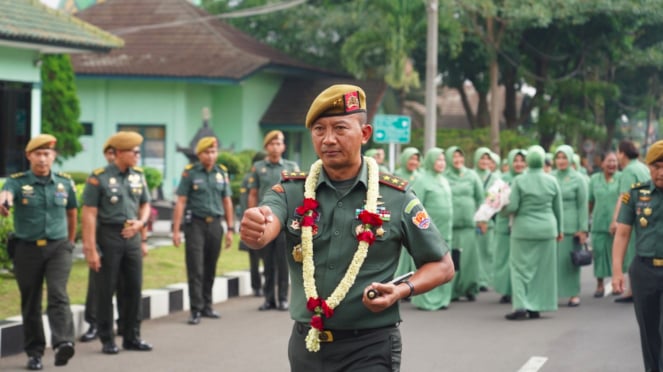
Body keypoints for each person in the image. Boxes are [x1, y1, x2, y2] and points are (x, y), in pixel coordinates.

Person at [240, 84, 454, 371]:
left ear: (364, 134)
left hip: (369, 347)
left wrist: (402, 290)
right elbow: (267, 223)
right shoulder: (292, 191)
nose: (328, 139)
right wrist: (257, 227)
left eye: (340, 129)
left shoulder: (396, 196)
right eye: (319, 130)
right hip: (307, 347)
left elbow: (442, 265)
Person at [0, 135, 77, 370]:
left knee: (58, 293)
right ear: (29, 156)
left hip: (58, 248)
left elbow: (72, 213)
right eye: (38, 154)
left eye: (47, 154)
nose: (43, 159)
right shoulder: (17, 182)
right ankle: (35, 353)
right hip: (27, 249)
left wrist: (70, 242)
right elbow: (6, 195)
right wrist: (4, 202)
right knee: (31, 301)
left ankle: (63, 342)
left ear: (53, 156)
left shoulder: (65, 183)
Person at [81, 131, 153, 355]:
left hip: (132, 236)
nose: (138, 156)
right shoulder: (98, 177)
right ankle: (107, 339)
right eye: (134, 151)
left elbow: (145, 204)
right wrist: (91, 249)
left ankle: (132, 336)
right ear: (119, 153)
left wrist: (141, 226)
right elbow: (89, 215)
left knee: (133, 287)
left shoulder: (138, 176)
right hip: (108, 236)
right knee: (106, 289)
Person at [172, 137, 234, 325]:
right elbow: (181, 201)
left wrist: (230, 227)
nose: (211, 155)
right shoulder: (190, 173)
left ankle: (207, 305)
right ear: (199, 155)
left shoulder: (221, 173)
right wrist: (176, 230)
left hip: (215, 224)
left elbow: (227, 201)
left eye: (214, 151)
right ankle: (196, 309)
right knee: (195, 267)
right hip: (195, 225)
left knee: (210, 266)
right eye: (207, 152)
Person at [612, 140, 663, 371]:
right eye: (656, 166)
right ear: (648, 167)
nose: (660, 172)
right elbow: (622, 234)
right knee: (649, 331)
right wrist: (616, 271)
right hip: (644, 271)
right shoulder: (636, 194)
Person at [504, 145, 563, 320]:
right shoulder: (552, 181)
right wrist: (560, 230)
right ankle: (536, 305)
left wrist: (500, 208)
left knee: (519, 269)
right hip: (547, 229)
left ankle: (521, 305)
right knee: (542, 270)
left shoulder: (519, 181)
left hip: (523, 230)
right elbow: (557, 209)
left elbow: (513, 206)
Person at [248, 130, 300, 311]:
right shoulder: (258, 167)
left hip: (284, 222)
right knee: (267, 261)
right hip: (264, 221)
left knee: (282, 261)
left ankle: (283, 298)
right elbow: (253, 193)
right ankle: (269, 298)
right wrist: (251, 214)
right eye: (272, 144)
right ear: (266, 146)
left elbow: (298, 194)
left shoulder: (292, 167)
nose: (275, 147)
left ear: (284, 147)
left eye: (279, 143)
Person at [80, 140, 126, 342]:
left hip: (121, 237)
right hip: (101, 235)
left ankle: (122, 324)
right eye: (108, 153)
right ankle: (93, 323)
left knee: (123, 283)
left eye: (113, 153)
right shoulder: (99, 177)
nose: (111, 157)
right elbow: (89, 212)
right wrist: (90, 244)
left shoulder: (129, 176)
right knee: (97, 284)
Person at [410, 147, 454, 311]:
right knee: (429, 262)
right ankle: (426, 300)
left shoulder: (443, 179)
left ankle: (442, 298)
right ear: (429, 161)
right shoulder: (422, 180)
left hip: (446, 229)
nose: (441, 163)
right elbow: (415, 206)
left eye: (443, 160)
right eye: (438, 160)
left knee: (445, 263)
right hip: (429, 230)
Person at [610, 140, 651, 303]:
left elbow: (624, 197)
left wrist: (616, 220)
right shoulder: (642, 167)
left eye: (617, 153)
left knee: (630, 252)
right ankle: (632, 290)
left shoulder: (629, 170)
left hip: (633, 215)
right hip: (647, 213)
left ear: (622, 153)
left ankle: (633, 289)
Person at [445, 146, 484, 301]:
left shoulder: (472, 175)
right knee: (454, 259)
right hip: (451, 226)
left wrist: (482, 219)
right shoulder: (445, 176)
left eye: (460, 157)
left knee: (469, 259)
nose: (457, 160)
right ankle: (453, 290)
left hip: (469, 225)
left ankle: (470, 288)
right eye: (454, 157)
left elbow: (480, 198)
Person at [553, 145, 588, 307]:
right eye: (558, 158)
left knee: (571, 262)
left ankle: (573, 293)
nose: (561, 161)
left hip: (571, 226)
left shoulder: (578, 178)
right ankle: (554, 292)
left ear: (570, 158)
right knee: (553, 262)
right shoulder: (551, 176)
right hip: (553, 225)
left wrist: (582, 228)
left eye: (564, 157)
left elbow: (582, 205)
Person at [493, 149, 527, 304]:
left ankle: (520, 291)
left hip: (522, 225)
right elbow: (492, 201)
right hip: (504, 224)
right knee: (504, 259)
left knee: (521, 260)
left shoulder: (528, 179)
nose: (519, 164)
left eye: (522, 160)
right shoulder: (502, 179)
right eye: (516, 160)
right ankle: (506, 290)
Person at [588, 151, 621, 297]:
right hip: (598, 223)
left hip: (618, 224)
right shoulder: (594, 179)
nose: (612, 164)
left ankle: (617, 283)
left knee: (617, 255)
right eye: (609, 161)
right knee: (599, 254)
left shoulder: (621, 178)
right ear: (602, 164)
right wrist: (585, 221)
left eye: (614, 161)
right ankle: (600, 284)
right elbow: (590, 201)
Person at [238, 152, 266, 297]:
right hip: (252, 223)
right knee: (254, 257)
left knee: (268, 257)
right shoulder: (248, 179)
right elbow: (244, 202)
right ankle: (256, 286)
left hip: (266, 222)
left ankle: (268, 284)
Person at [474, 147, 500, 291]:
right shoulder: (470, 175)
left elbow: (494, 200)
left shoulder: (495, 178)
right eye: (482, 158)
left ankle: (484, 279)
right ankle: (475, 278)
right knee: (474, 251)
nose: (484, 161)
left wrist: (484, 219)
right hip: (472, 219)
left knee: (486, 251)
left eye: (487, 159)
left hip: (488, 220)